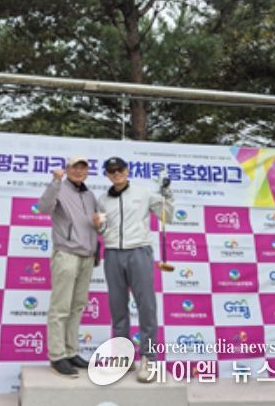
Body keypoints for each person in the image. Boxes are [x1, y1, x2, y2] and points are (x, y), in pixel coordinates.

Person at [94, 156, 173, 383]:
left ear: (127, 171)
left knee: (146, 306)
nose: (116, 174)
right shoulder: (102, 200)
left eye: (120, 169)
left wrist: (167, 195)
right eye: (112, 171)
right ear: (107, 175)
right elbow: (103, 229)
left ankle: (149, 358)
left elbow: (167, 215)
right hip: (112, 254)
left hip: (139, 251)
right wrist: (98, 226)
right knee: (118, 308)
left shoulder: (143, 192)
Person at [38, 155, 98, 377]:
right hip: (66, 254)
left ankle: (71, 351)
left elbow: (92, 226)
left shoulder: (90, 195)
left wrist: (96, 247)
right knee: (60, 307)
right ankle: (57, 355)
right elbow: (43, 207)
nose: (79, 171)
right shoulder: (59, 188)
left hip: (87, 257)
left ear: (87, 171)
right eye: (75, 167)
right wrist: (55, 182)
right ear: (67, 169)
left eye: (83, 167)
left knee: (77, 306)